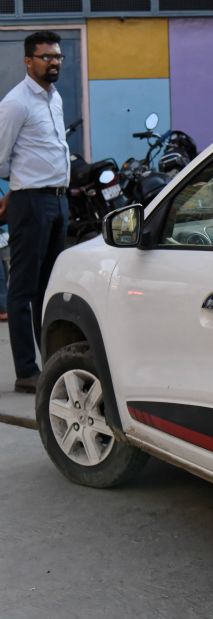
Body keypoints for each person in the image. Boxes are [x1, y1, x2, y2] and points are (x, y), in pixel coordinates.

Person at [0, 31, 70, 393]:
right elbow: (0, 157)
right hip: (31, 202)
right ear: (28, 61)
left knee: (50, 287)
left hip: (58, 200)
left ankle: (51, 361)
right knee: (24, 288)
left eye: (57, 56)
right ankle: (27, 371)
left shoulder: (54, 98)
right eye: (46, 57)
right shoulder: (16, 103)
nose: (54, 62)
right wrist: (14, 190)